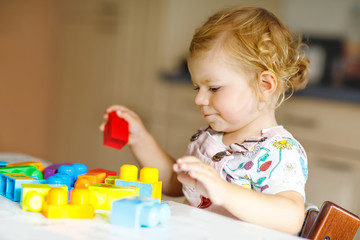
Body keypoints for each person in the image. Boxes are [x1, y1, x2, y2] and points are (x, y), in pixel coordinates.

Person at [100, 6, 309, 235]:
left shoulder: (279, 150)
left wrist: (224, 191)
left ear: (264, 86)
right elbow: (174, 182)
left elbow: (291, 217)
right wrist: (140, 138)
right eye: (197, 87)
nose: (199, 98)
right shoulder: (210, 138)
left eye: (214, 88)